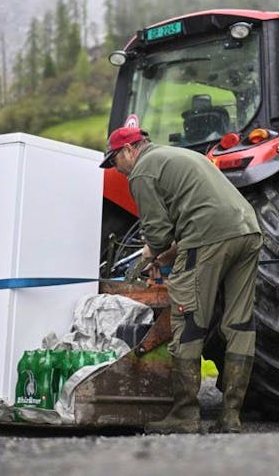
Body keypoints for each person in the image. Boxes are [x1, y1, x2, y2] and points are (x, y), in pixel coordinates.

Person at [100, 126, 262, 434]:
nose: (116, 170)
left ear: (129, 151)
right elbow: (196, 214)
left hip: (210, 237)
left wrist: (147, 256)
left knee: (187, 322)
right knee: (239, 324)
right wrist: (167, 254)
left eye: (114, 161)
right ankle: (231, 416)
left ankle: (184, 415)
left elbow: (159, 233)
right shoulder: (178, 155)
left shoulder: (142, 171)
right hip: (248, 230)